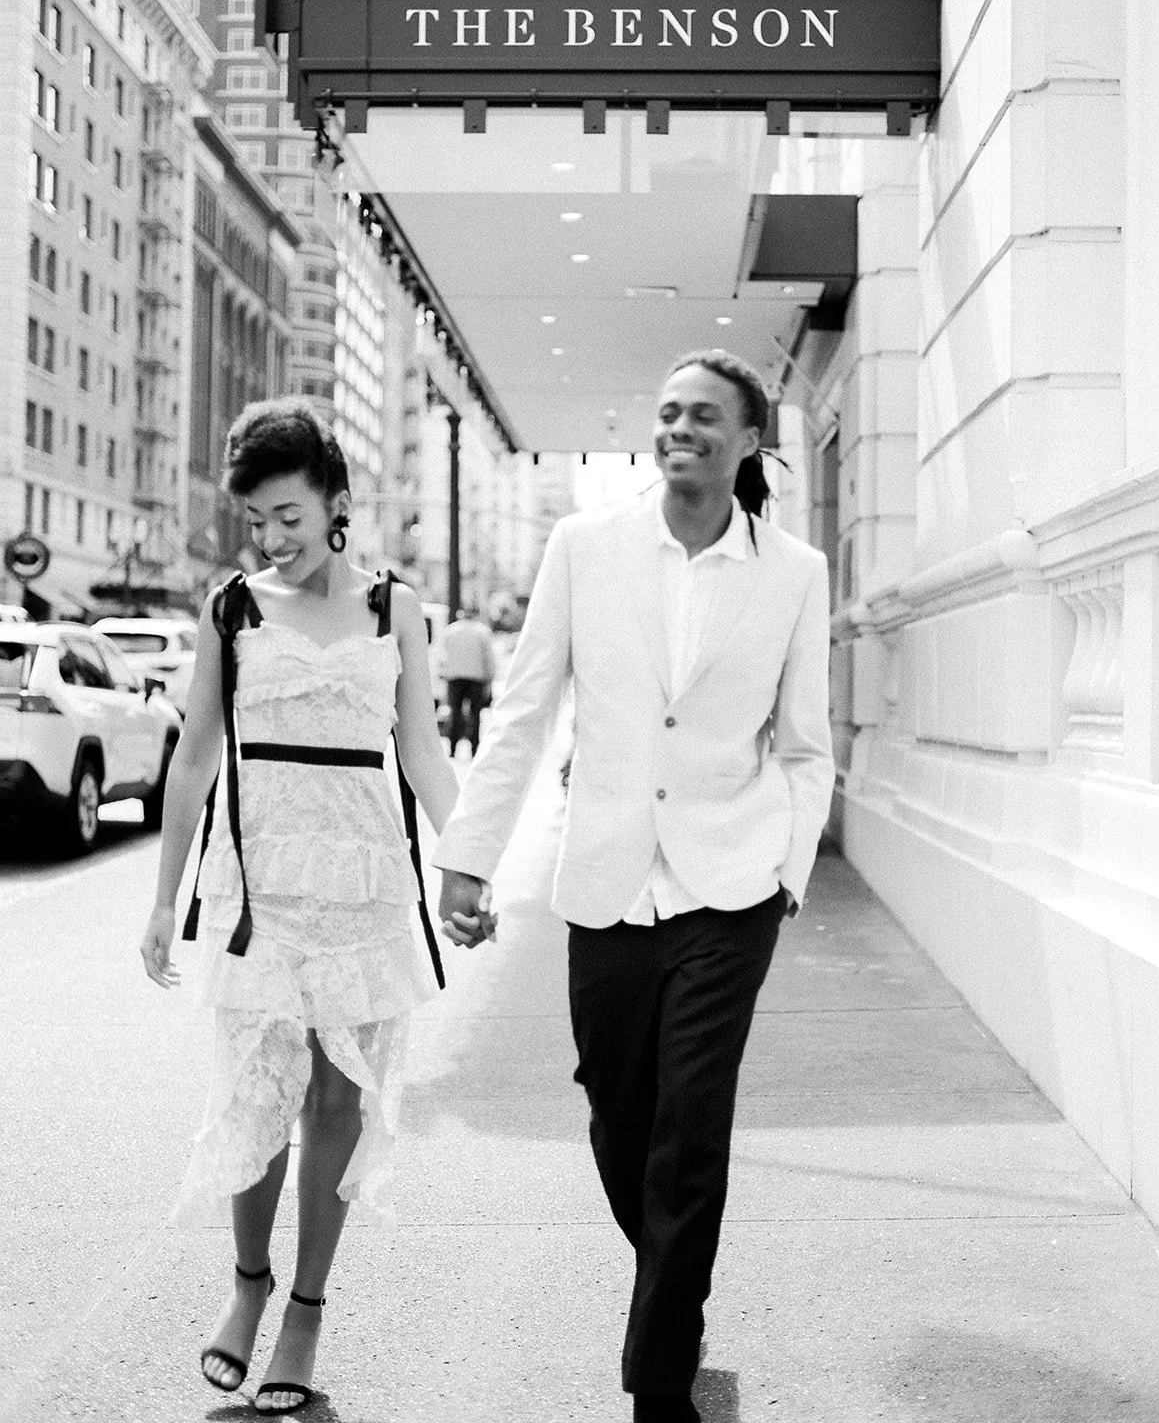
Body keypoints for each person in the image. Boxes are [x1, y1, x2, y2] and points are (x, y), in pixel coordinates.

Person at [435, 351, 835, 1423]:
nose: (680, 429)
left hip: (730, 881)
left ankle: (658, 1375)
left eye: (704, 415)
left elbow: (805, 746)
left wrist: (785, 871)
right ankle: (678, 1288)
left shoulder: (793, 571)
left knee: (690, 1122)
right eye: (665, 413)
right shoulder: (584, 547)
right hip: (607, 879)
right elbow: (522, 711)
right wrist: (468, 857)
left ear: (749, 438)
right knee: (620, 1120)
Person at [140, 400, 461, 1415]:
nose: (273, 538)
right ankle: (245, 1289)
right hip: (256, 883)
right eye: (258, 520)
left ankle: (306, 1312)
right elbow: (193, 754)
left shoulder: (394, 608)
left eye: (288, 514)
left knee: (336, 1100)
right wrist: (162, 901)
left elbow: (418, 748)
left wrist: (471, 865)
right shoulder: (231, 606)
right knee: (254, 1096)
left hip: (362, 877)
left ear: (337, 503)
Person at [438, 605, 496, 757]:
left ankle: (453, 748)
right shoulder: (483, 632)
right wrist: (490, 678)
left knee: (455, 714)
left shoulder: (450, 631)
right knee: (475, 716)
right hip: (476, 678)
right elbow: (488, 658)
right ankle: (474, 748)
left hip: (455, 678)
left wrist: (444, 674)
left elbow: (442, 655)